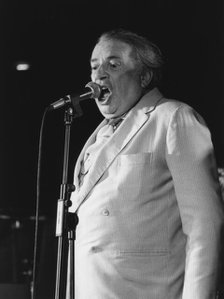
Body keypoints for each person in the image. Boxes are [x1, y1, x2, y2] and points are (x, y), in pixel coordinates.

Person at [69, 29, 224, 299]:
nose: (99, 75)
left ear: (144, 76)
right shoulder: (96, 139)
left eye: (113, 64)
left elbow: (205, 225)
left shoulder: (174, 118)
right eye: (95, 66)